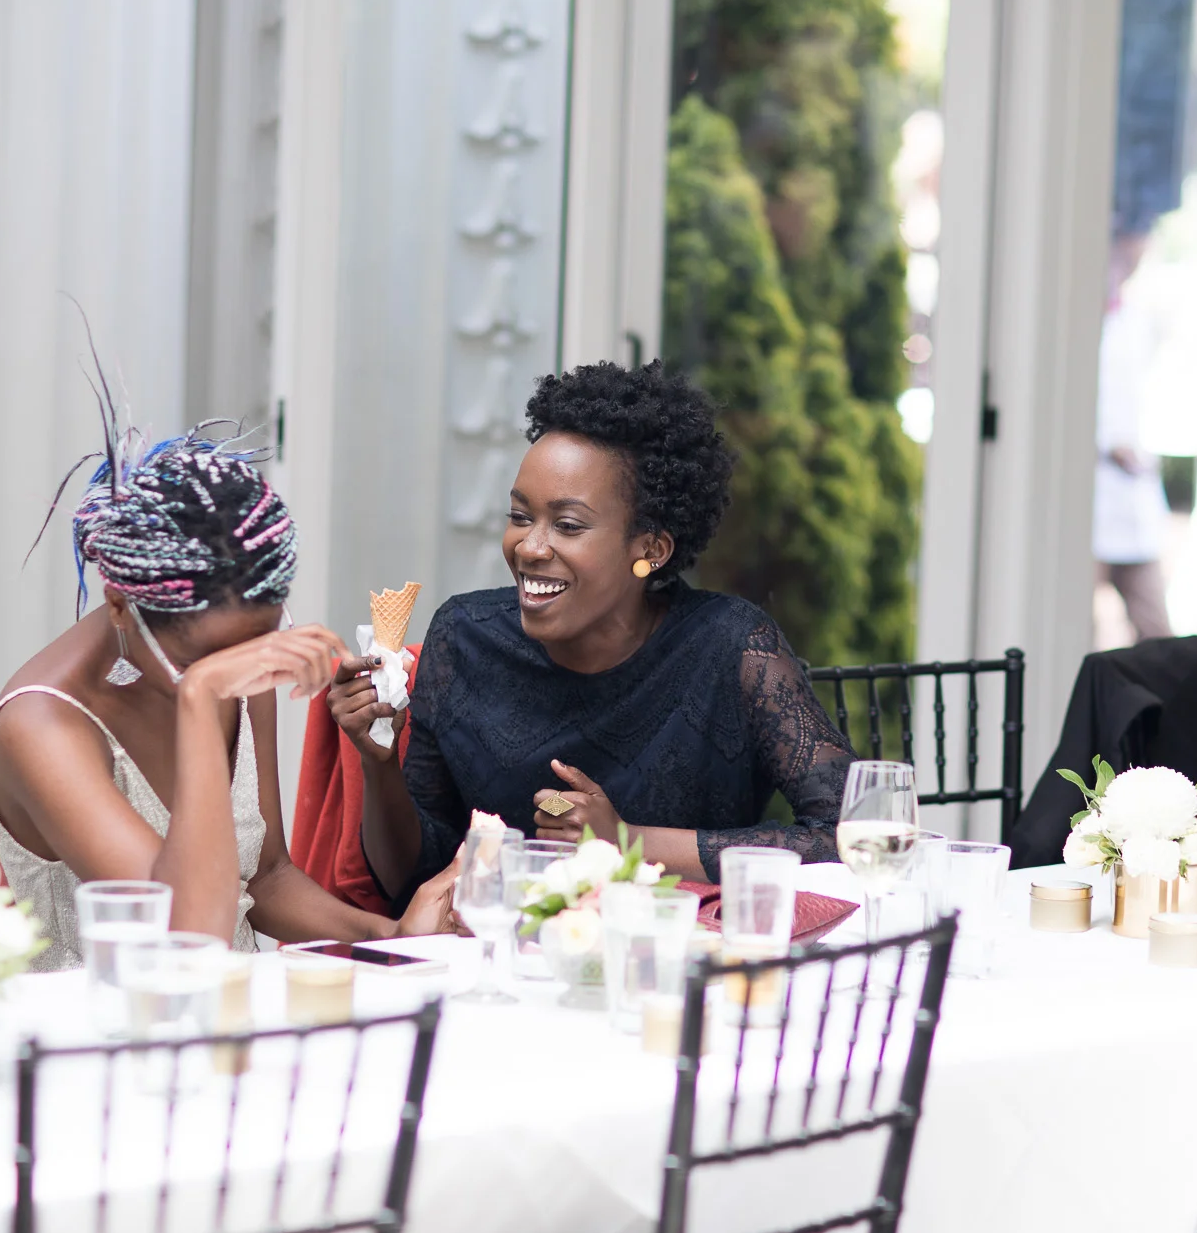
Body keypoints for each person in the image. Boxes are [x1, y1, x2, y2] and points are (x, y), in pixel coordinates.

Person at [333, 360, 858, 897]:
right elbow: (411, 880)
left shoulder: (731, 646)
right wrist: (379, 764)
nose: (530, 547)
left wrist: (628, 842)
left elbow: (854, 835)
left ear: (650, 549)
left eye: (567, 525)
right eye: (520, 516)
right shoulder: (463, 638)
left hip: (680, 944)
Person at [0, 426, 458, 970]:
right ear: (120, 608)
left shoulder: (238, 658)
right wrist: (203, 700)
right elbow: (185, 939)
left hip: (235, 1001)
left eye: (261, 641)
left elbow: (266, 879)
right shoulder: (41, 726)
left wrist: (393, 934)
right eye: (211, 661)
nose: (247, 669)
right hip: (106, 1014)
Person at [1095, 230, 1171, 642]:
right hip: (1091, 498)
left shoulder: (1137, 322)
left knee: (1155, 632)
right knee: (1070, 629)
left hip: (1132, 500)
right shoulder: (1083, 325)